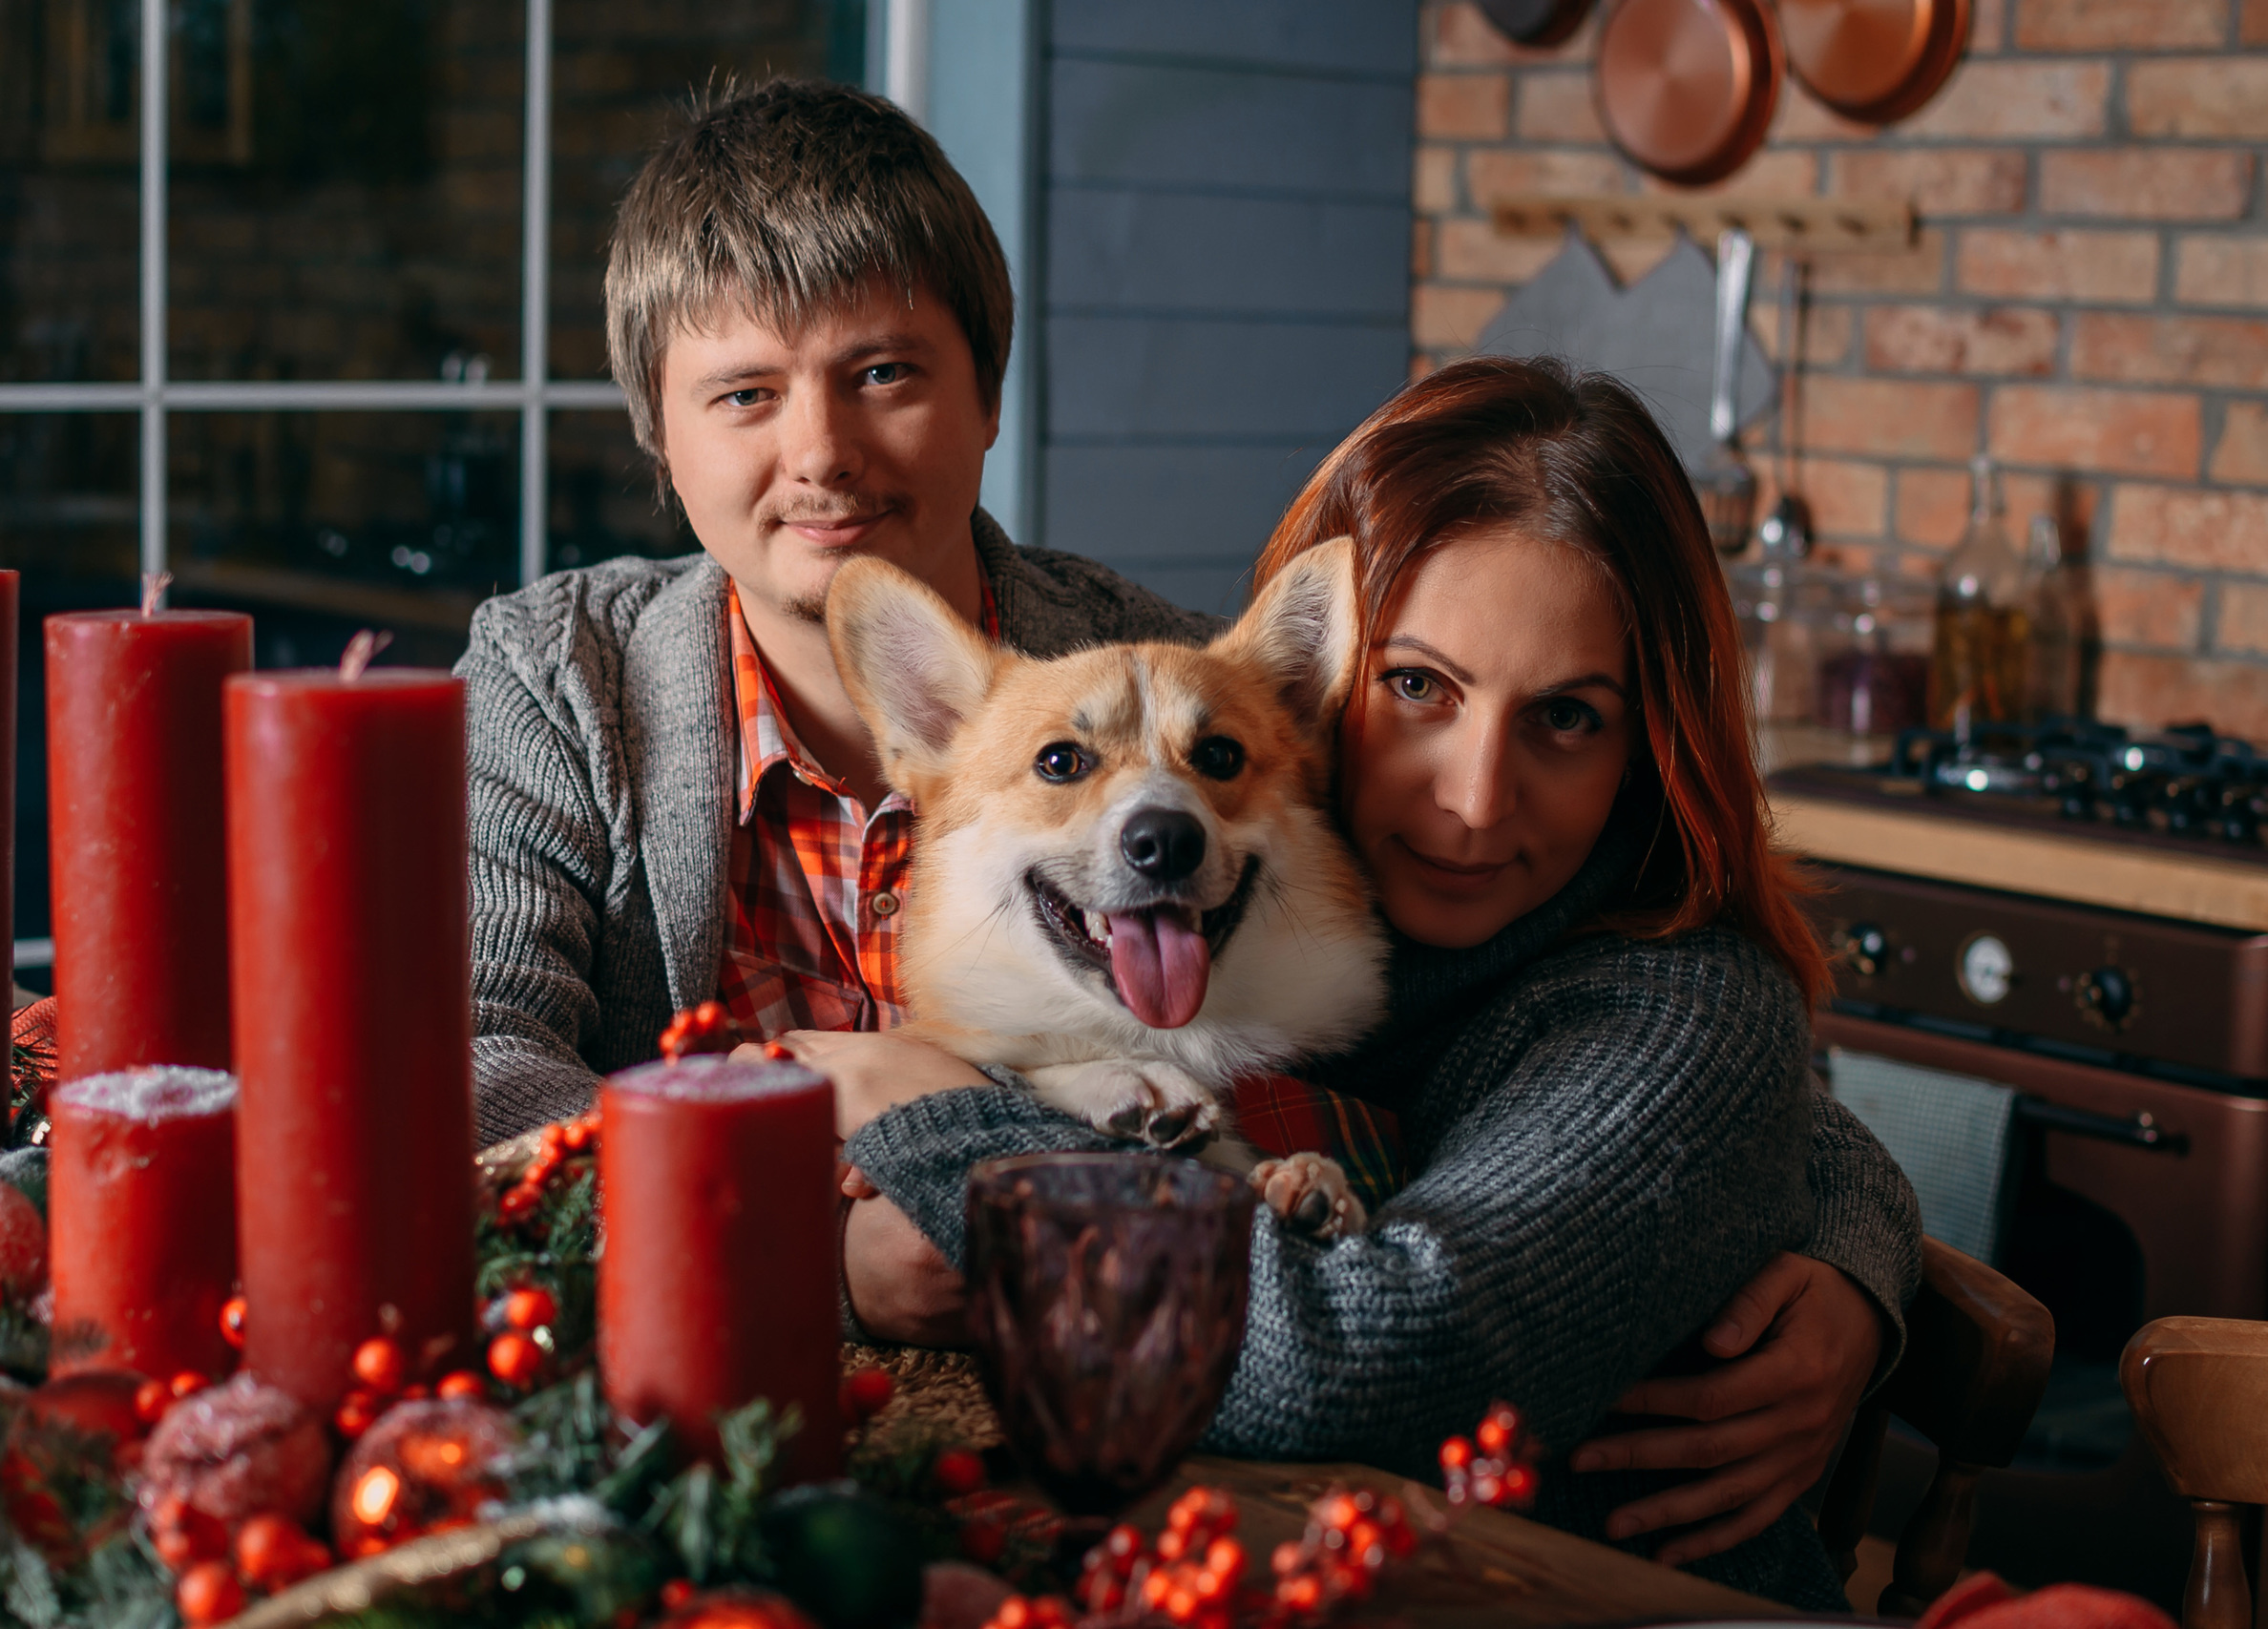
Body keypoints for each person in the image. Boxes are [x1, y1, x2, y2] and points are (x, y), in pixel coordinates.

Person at [459, 77, 1911, 1582]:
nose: (821, 452)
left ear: (987, 397)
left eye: (885, 372)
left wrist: (1855, 1252)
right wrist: (813, 1264)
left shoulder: (1179, 696)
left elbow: (1675, 1049)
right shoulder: (562, 683)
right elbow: (481, 1073)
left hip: (1225, 1516)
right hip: (733, 1484)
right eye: (744, 394)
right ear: (659, 427)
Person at [763, 357, 1918, 1607]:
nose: (1475, 799)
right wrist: (1861, 1218)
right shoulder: (1317, 922)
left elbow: (1362, 1371)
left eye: (1567, 717)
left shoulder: (1678, 1012)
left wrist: (939, 1121)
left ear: (1652, 743)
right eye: (1418, 687)